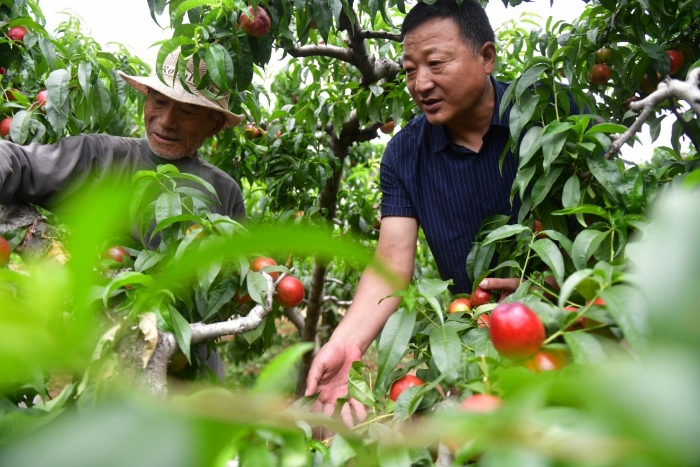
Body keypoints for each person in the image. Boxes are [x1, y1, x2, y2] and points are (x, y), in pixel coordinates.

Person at [305, 0, 531, 432]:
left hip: (567, 322)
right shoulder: (404, 154)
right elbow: (391, 264)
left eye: (436, 64)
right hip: (475, 346)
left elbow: (600, 229)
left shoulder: (548, 116)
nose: (419, 83)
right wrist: (345, 344)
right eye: (409, 69)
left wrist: (550, 285)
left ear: (486, 57)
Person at [0, 52, 247, 379]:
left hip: (186, 370)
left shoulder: (225, 192)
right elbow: (19, 161)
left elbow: (231, 291)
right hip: (101, 365)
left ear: (213, 124)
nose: (167, 120)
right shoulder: (101, 159)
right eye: (158, 101)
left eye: (186, 110)